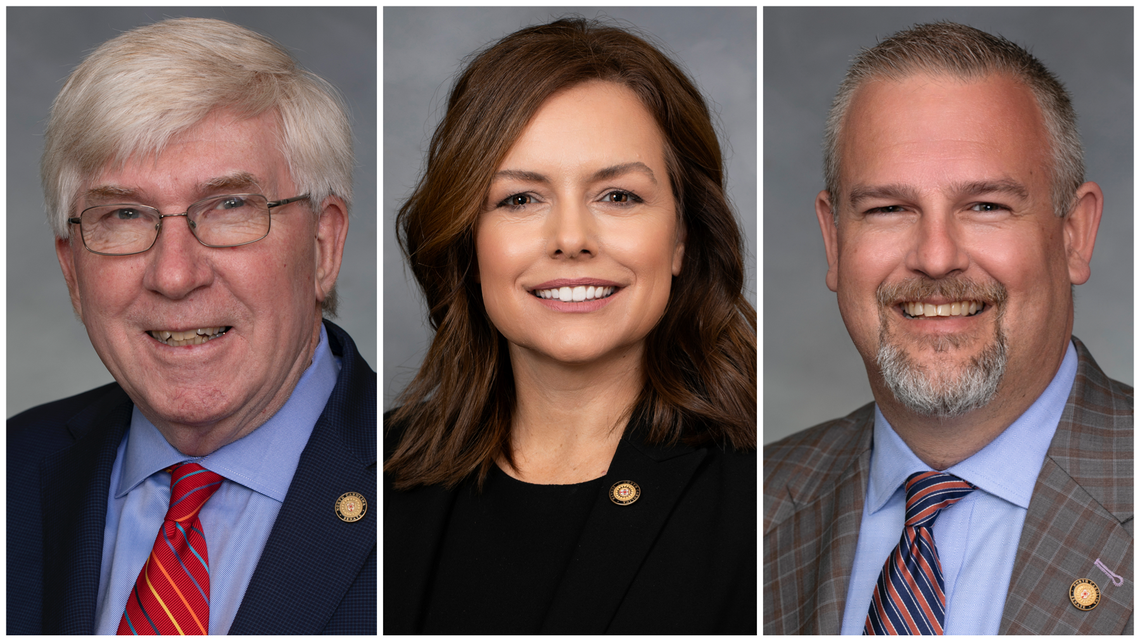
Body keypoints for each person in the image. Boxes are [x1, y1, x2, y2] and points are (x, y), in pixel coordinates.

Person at [384, 17, 757, 634]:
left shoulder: (767, 498)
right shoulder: (369, 481)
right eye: (519, 199)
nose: (571, 241)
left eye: (618, 196)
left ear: (682, 240)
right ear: (468, 243)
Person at [7, 18, 376, 634]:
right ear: (72, 270)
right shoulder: (12, 470)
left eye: (230, 206)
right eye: (123, 214)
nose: (174, 275)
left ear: (323, 243)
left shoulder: (435, 490)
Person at [763, 21, 1132, 634]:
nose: (936, 257)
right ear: (834, 241)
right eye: (888, 209)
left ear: (1075, 233)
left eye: (986, 206)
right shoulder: (750, 507)